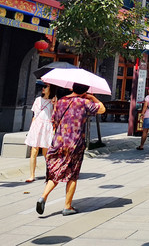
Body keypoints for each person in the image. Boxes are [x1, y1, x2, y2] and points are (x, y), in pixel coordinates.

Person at [36, 82, 105, 216]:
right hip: (75, 143)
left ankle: (43, 196)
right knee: (72, 175)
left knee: (56, 170)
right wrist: (92, 97)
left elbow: (54, 119)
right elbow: (102, 109)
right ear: (85, 90)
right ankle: (67, 206)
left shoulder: (61, 101)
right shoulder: (84, 102)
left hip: (59, 141)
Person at [25, 82, 57, 182]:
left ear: (50, 88)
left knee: (46, 152)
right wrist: (31, 129)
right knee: (33, 151)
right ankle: (32, 175)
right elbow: (35, 115)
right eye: (42, 87)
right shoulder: (38, 100)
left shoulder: (53, 100)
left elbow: (55, 115)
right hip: (37, 125)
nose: (43, 88)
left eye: (45, 86)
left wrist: (55, 104)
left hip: (47, 126)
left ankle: (49, 173)